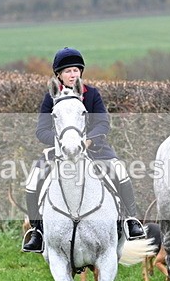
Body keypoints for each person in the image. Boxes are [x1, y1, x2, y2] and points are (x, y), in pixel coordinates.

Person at [21, 47, 147, 253]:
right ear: (59, 75)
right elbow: (41, 131)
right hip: (61, 151)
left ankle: (131, 220)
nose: (73, 74)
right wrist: (60, 143)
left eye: (76, 70)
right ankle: (37, 231)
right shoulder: (50, 98)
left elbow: (103, 124)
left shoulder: (92, 94)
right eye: (68, 71)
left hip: (94, 149)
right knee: (33, 181)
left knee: (120, 171)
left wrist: (88, 141)